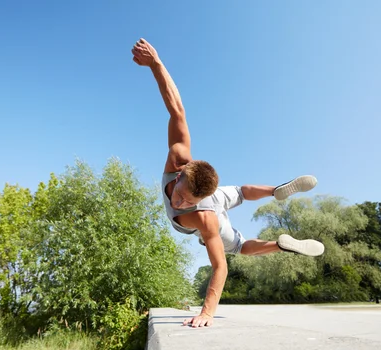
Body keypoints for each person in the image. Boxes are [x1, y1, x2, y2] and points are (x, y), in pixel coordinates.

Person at [131, 38, 324, 328]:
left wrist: (207, 312)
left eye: (187, 202)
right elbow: (177, 110)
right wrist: (156, 64)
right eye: (181, 195)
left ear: (199, 201)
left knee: (240, 247)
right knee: (242, 193)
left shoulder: (205, 218)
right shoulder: (178, 157)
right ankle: (277, 210)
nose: (178, 203)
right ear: (180, 173)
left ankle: (279, 218)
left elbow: (219, 267)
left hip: (215, 209)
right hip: (218, 195)